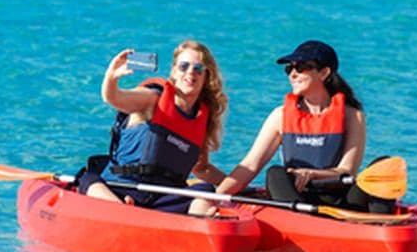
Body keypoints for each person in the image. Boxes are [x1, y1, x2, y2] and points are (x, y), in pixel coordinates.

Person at [189, 40, 394, 215]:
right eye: (290, 68)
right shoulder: (280, 116)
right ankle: (305, 225)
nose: (292, 74)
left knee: (385, 165)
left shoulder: (352, 116)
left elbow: (346, 170)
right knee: (275, 174)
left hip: (341, 202)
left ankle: (381, 231)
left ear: (324, 72)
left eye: (300, 67)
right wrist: (215, 198)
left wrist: (311, 174)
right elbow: (251, 165)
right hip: (297, 200)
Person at [77, 39, 228, 214]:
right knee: (89, 180)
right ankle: (124, 213)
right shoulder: (153, 99)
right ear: (173, 71)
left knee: (205, 191)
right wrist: (111, 77)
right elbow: (114, 98)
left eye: (198, 68)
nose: (190, 73)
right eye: (183, 66)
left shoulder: (201, 117)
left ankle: (202, 226)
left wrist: (237, 185)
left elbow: (201, 168)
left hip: (163, 197)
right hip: (121, 187)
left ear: (206, 76)